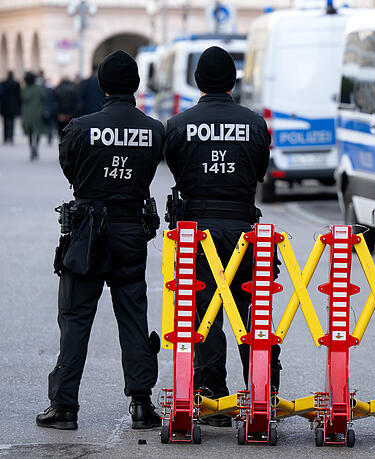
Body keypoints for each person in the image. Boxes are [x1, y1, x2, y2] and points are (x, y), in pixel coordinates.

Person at [37, 50, 164, 431]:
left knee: (75, 318)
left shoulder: (80, 127)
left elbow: (70, 171)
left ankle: (64, 408)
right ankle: (141, 404)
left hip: (87, 232)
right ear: (136, 86)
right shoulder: (155, 129)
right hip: (131, 232)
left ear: (102, 86)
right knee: (133, 316)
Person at [163, 46, 276, 427]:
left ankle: (212, 397)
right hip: (245, 230)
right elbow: (259, 171)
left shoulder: (179, 125)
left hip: (198, 231)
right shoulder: (255, 124)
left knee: (204, 315)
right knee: (253, 312)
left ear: (197, 82)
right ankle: (263, 395)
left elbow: (178, 170)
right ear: (232, 81)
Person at [22, 72, 47, 160]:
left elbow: (23, 99)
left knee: (29, 133)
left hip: (27, 113)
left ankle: (31, 148)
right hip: (38, 112)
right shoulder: (39, 88)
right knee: (38, 132)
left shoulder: (24, 89)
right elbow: (43, 98)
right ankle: (36, 147)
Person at [1, 71, 22, 144]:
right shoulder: (16, 84)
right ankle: (11, 137)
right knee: (12, 123)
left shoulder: (3, 83)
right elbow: (19, 96)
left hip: (5, 106)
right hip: (13, 106)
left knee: (5, 123)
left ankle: (5, 137)